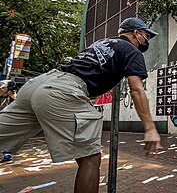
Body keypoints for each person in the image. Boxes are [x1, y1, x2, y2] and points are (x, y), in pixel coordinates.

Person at [0, 17, 162, 192]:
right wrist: (150, 128)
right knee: (90, 158)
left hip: (37, 84)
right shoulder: (132, 50)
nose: (148, 40)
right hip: (60, 92)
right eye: (146, 35)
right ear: (136, 33)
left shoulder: (102, 42)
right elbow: (137, 90)